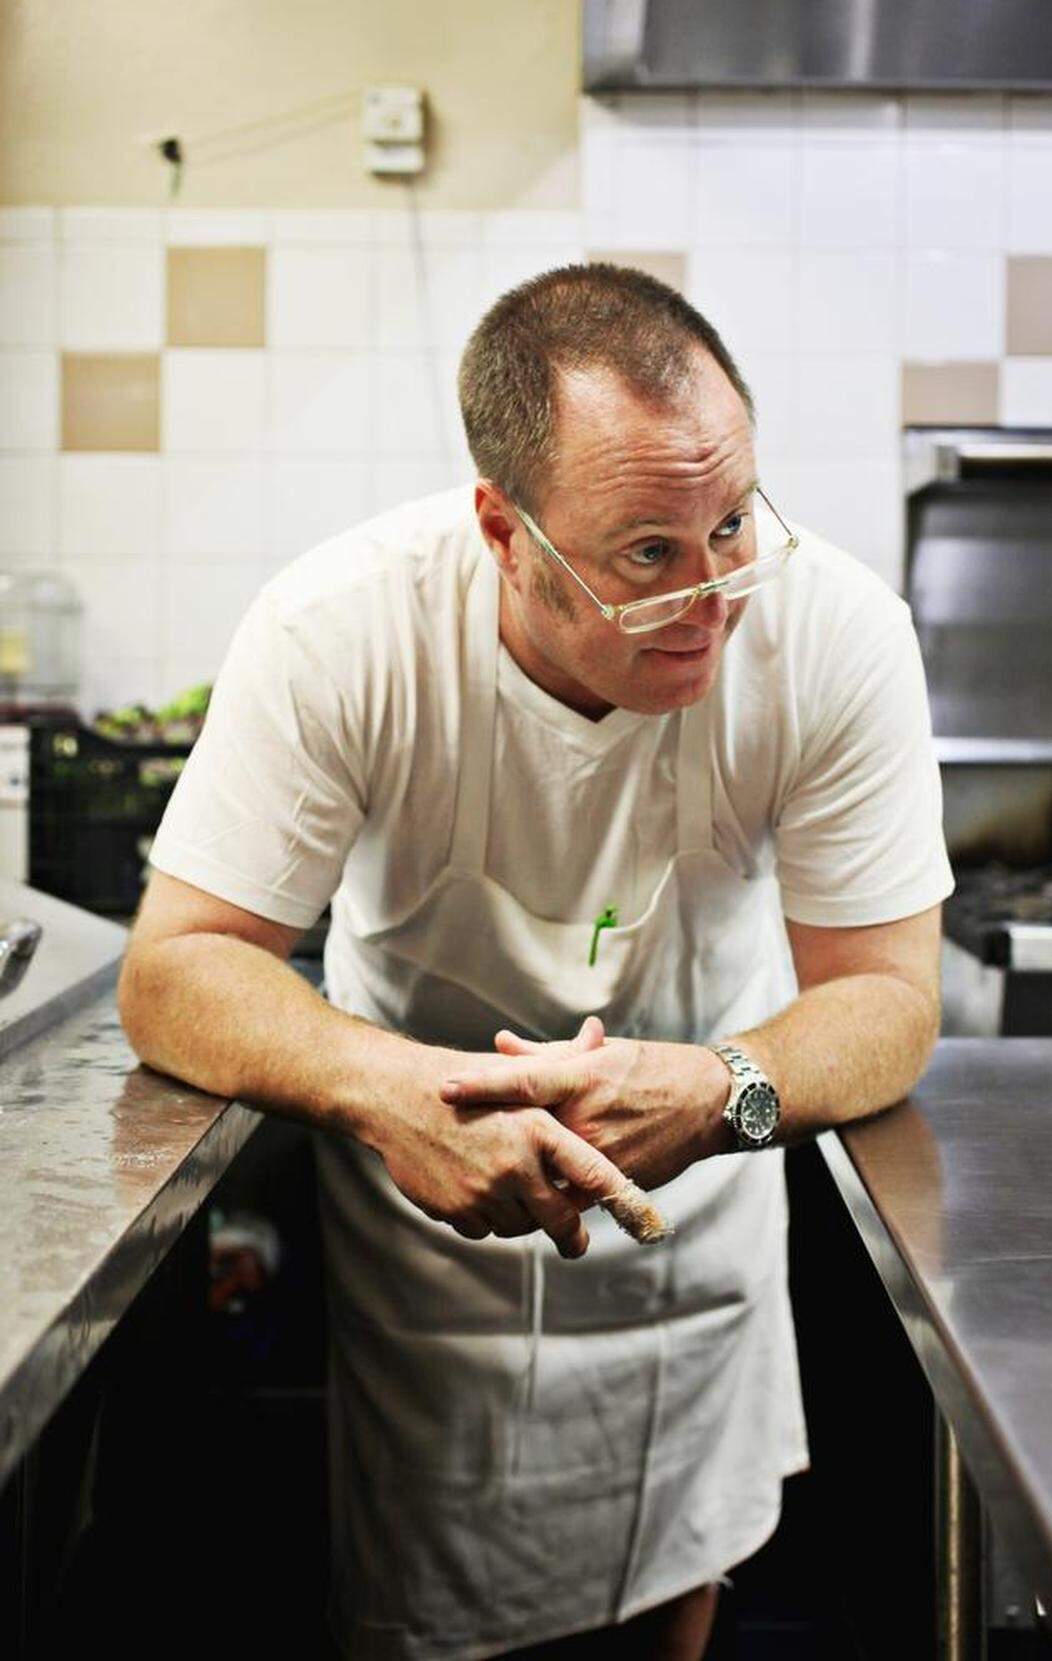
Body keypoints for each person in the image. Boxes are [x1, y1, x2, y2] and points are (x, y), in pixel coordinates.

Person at [119, 262, 953, 1661]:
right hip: (431, 1256)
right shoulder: (345, 630)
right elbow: (178, 965)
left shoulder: (833, 631)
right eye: (649, 555)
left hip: (701, 1229)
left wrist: (720, 1085)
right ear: (505, 532)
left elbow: (888, 995)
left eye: (734, 522)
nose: (714, 593)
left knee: (681, 1590)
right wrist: (388, 1090)